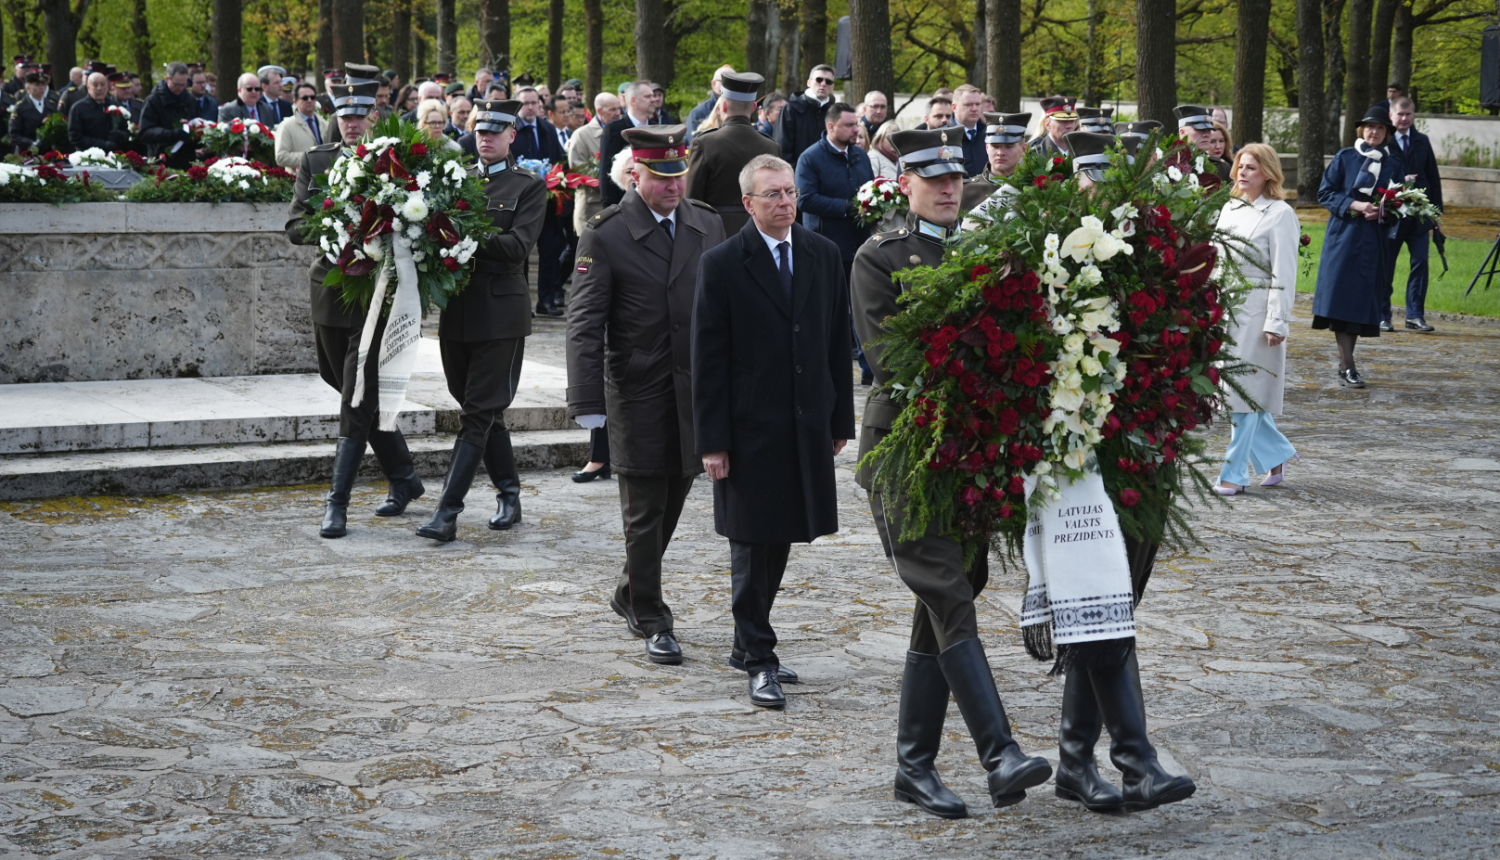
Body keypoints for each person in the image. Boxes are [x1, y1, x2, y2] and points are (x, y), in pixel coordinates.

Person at [851, 127, 1053, 820]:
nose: (946, 188)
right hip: (905, 449)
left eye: (954, 178)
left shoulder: (985, 253)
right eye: (930, 178)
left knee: (952, 591)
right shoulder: (879, 257)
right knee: (946, 587)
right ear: (903, 181)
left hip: (970, 452)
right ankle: (999, 752)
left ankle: (914, 767)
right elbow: (893, 360)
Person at [692, 153, 855, 708]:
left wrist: (839, 420)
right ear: (748, 204)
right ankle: (758, 656)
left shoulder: (823, 253)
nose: (785, 202)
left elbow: (836, 341)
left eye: (789, 193)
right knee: (749, 540)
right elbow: (707, 360)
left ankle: (747, 643)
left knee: (783, 534)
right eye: (773, 195)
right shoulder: (721, 264)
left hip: (805, 422)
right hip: (747, 426)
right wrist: (712, 441)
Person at [566, 125, 727, 666]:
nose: (673, 185)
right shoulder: (606, 234)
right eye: (661, 176)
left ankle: (630, 589)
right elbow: (584, 323)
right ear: (636, 174)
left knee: (676, 495)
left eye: (679, 174)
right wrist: (586, 401)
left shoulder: (707, 222)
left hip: (694, 386)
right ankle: (651, 613)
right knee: (643, 507)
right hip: (636, 387)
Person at [285, 78, 426, 539]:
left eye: (359, 116)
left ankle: (337, 503)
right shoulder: (317, 159)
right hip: (331, 289)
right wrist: (338, 230)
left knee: (356, 393)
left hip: (377, 295)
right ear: (335, 118)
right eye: (344, 116)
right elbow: (295, 225)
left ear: (372, 118)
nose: (351, 124)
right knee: (341, 381)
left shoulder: (394, 163)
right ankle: (404, 476)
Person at [416, 100, 548, 542]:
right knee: (480, 407)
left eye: (495, 132)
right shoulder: (457, 182)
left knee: (476, 413)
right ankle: (509, 493)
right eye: (480, 130)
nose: (485, 138)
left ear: (513, 136)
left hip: (500, 312)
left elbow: (517, 247)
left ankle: (446, 513)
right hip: (458, 310)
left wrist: (464, 230)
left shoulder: (527, 186)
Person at [1213, 144, 1301, 495]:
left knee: (1243, 395)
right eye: (1240, 166)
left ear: (1268, 172)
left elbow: (1285, 272)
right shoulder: (1229, 207)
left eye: (1251, 167)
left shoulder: (1280, 213)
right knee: (1230, 391)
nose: (1243, 172)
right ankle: (1276, 454)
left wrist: (1277, 321)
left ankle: (1233, 473)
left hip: (1257, 311)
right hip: (1225, 309)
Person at [1314, 106, 1404, 388]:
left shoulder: (1393, 164)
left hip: (1373, 241)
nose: (1374, 132)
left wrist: (1382, 211)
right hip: (1343, 237)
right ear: (1361, 130)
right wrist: (1354, 204)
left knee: (1358, 302)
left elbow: (1399, 206)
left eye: (1379, 128)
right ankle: (1348, 365)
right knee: (1341, 298)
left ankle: (1346, 365)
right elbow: (1325, 193)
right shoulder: (1346, 157)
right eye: (1369, 127)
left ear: (1387, 133)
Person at [795, 101, 875, 384]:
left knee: (864, 308)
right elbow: (804, 199)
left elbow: (869, 190)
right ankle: (825, 371)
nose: (856, 130)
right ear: (831, 126)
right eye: (850, 125)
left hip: (862, 245)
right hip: (826, 245)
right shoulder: (810, 158)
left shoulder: (860, 156)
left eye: (857, 124)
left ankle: (869, 371)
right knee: (828, 311)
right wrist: (849, 206)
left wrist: (876, 203)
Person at [685, 71, 783, 236]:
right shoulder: (772, 147)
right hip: (761, 231)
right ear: (753, 108)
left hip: (716, 232)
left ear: (722, 106)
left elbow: (691, 200)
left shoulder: (704, 144)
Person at [1385, 97, 1443, 333]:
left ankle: (1415, 316)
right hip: (1393, 215)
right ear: (1391, 116)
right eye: (1400, 114)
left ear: (1414, 115)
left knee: (1420, 263)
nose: (1404, 119)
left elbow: (1433, 177)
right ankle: (1382, 315)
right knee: (1386, 265)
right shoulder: (1385, 143)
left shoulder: (1422, 141)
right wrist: (1401, 183)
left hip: (1419, 216)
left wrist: (1437, 215)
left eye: (1409, 114)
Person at [511, 85, 570, 318]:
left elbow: (558, 162)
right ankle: (522, 303)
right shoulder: (510, 129)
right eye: (525, 103)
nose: (531, 107)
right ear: (517, 106)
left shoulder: (547, 129)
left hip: (547, 202)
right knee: (521, 255)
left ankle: (546, 301)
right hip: (519, 204)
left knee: (550, 252)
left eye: (535, 103)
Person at [597, 81, 659, 207]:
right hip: (623, 202)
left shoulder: (657, 128)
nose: (653, 99)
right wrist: (610, 206)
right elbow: (606, 170)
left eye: (653, 96)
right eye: (648, 96)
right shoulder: (614, 129)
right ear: (633, 100)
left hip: (653, 201)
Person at [569, 91, 620, 236]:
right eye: (612, 110)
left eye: (619, 109)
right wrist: (611, 179)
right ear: (599, 111)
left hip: (616, 203)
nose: (618, 113)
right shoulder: (581, 135)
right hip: (591, 205)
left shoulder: (621, 131)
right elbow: (579, 169)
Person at [961, 111, 1028, 216]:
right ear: (987, 147)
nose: (1000, 153)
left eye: (1009, 146)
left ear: (1024, 149)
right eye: (995, 146)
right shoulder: (967, 191)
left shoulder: (1034, 189)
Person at [136, 61, 198, 168]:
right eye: (177, 84)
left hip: (187, 160)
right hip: (161, 161)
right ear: (167, 79)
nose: (181, 88)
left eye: (184, 85)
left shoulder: (189, 100)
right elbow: (144, 132)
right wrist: (172, 134)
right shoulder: (153, 101)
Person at [776, 65, 836, 170]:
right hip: (796, 174)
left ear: (832, 86)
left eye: (828, 81)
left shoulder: (834, 112)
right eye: (819, 79)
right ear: (809, 82)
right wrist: (794, 174)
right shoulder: (791, 109)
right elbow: (782, 147)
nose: (823, 84)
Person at [68, 72, 128, 152]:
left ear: (107, 87)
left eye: (102, 84)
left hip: (114, 155)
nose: (99, 88)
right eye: (95, 85)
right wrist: (103, 144)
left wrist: (120, 135)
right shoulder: (78, 108)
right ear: (88, 88)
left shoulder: (116, 106)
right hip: (88, 157)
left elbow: (126, 131)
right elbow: (75, 137)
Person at [275, 82, 329, 169]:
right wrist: (309, 156)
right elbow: (281, 157)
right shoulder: (286, 126)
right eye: (305, 98)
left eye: (312, 97)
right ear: (295, 101)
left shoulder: (325, 124)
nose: (309, 100)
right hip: (299, 179)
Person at [1173, 105, 1232, 182]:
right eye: (1199, 129)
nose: (1206, 134)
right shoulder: (1167, 164)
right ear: (1182, 132)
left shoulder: (1222, 168)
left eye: (1209, 130)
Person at [8, 70, 59, 154]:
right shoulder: (20, 107)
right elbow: (13, 134)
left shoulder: (52, 105)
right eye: (37, 85)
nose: (41, 87)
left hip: (47, 153)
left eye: (43, 84)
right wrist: (31, 143)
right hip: (26, 153)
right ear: (28, 87)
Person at [685, 65, 733, 143]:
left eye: (734, 83)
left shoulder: (740, 111)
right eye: (725, 82)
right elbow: (694, 145)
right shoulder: (697, 114)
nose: (730, 87)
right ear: (714, 84)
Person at [949, 84, 987, 176]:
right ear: (954, 107)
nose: (974, 109)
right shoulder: (945, 136)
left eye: (978, 104)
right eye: (968, 104)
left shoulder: (989, 134)